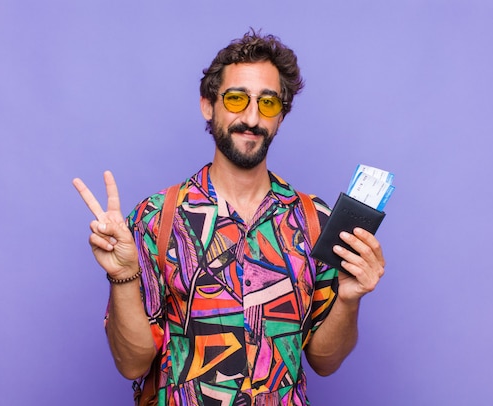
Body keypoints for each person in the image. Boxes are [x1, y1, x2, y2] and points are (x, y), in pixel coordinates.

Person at [73, 30, 385, 405]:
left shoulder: (314, 219)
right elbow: (132, 364)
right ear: (209, 105)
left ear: (281, 116)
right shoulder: (158, 218)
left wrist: (349, 298)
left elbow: (325, 360)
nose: (252, 118)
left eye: (268, 104)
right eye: (237, 99)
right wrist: (122, 276)